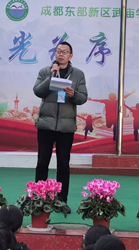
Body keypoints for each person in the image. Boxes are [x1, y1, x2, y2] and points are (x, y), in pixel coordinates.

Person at [33, 41, 88, 211]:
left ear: (71, 56)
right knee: (42, 163)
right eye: (58, 51)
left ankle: (61, 201)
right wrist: (51, 77)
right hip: (46, 125)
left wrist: (73, 94)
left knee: (63, 165)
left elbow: (83, 97)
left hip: (66, 127)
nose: (61, 54)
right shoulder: (45, 71)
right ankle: (39, 199)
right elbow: (37, 91)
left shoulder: (78, 74)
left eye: (64, 52)